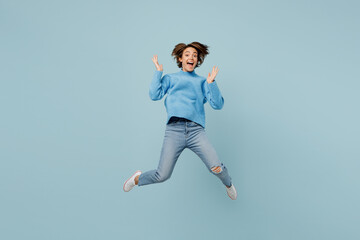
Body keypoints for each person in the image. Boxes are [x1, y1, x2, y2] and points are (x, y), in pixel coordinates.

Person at [123, 42, 237, 200]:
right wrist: (158, 72)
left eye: (195, 56)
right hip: (174, 130)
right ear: (180, 58)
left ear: (198, 61)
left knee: (216, 167)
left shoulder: (203, 81)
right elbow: (154, 95)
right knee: (162, 175)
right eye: (188, 54)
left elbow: (217, 105)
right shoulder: (171, 78)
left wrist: (212, 83)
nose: (192, 57)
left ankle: (229, 184)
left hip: (196, 131)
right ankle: (137, 179)